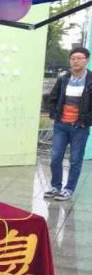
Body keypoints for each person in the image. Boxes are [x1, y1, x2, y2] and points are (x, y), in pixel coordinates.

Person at [45, 47, 92, 201]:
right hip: (61, 125)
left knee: (75, 160)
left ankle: (69, 189)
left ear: (86, 60)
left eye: (79, 58)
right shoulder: (63, 79)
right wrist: (55, 114)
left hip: (79, 127)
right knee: (55, 157)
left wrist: (86, 121)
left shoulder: (90, 80)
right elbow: (53, 97)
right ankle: (55, 186)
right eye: (73, 58)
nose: (75, 61)